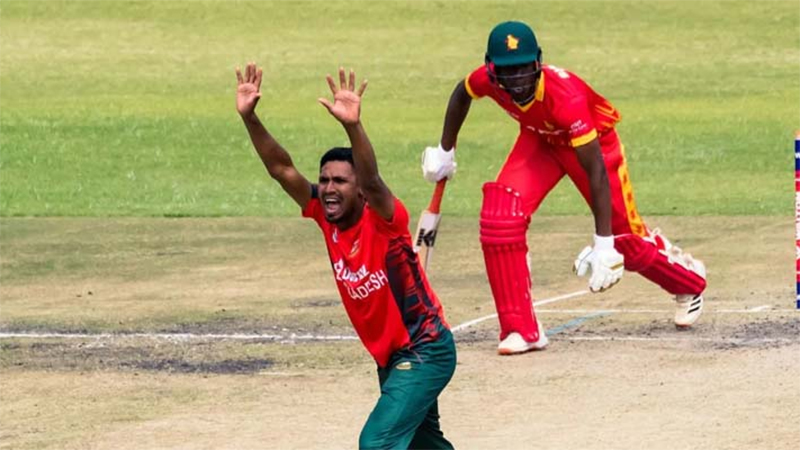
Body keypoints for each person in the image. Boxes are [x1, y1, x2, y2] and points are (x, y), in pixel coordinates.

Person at [422, 21, 707, 355]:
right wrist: (445, 151)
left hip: (593, 147)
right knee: (501, 216)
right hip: (540, 140)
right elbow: (462, 93)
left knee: (625, 244)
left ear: (538, 62)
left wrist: (603, 244)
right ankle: (521, 329)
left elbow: (596, 171)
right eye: (507, 71)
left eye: (524, 69)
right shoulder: (488, 79)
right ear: (491, 68)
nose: (517, 80)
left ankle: (689, 281)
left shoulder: (565, 98)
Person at [236, 63, 456, 449]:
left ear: (361, 191)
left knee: (376, 443)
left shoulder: (386, 220)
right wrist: (249, 117)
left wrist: (353, 126)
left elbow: (372, 179)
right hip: (392, 357)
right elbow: (281, 169)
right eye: (324, 180)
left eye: (340, 181)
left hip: (424, 348)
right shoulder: (326, 217)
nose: (328, 188)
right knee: (425, 445)